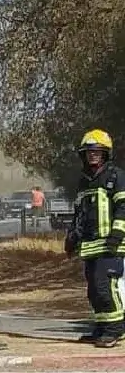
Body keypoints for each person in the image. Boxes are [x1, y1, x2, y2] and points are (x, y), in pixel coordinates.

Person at [65, 129, 125, 347]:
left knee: (104, 287)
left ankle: (115, 330)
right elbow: (79, 213)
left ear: (105, 154)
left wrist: (117, 234)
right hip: (90, 246)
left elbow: (123, 207)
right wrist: (72, 237)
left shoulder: (116, 176)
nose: (93, 155)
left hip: (111, 244)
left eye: (97, 152)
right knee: (93, 291)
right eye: (89, 152)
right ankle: (101, 329)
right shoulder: (85, 182)